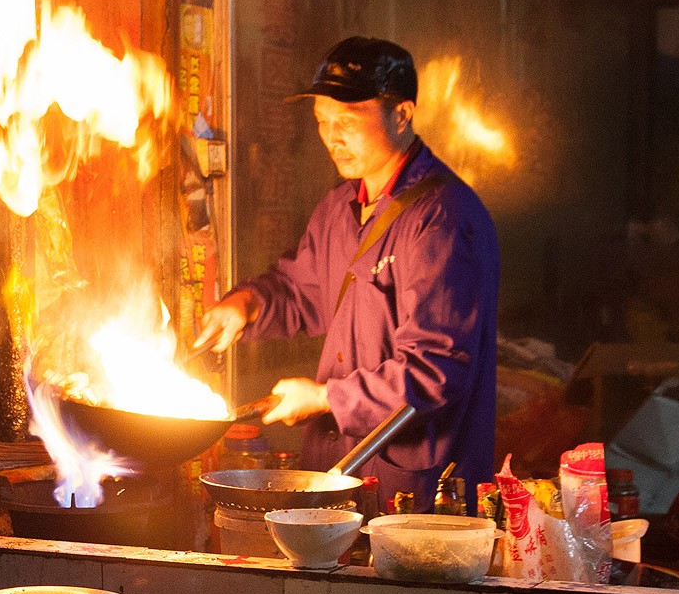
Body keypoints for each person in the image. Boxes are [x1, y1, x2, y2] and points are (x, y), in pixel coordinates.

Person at [194, 37, 499, 513]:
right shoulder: (341, 207)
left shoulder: (441, 218)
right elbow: (302, 291)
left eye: (348, 122)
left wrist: (323, 397)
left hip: (415, 493)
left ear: (402, 115)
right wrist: (248, 304)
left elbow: (434, 372)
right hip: (337, 471)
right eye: (322, 123)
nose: (332, 137)